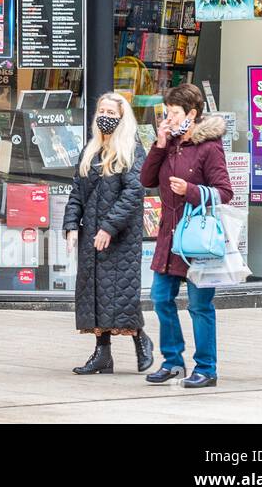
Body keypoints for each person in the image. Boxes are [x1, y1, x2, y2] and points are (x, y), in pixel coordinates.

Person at [139, 83, 232, 389]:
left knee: (198, 305)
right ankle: (172, 361)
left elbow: (224, 192)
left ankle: (206, 367)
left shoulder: (209, 146)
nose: (168, 118)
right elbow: (147, 179)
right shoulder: (171, 143)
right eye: (166, 112)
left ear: (191, 114)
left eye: (174, 113)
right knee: (161, 298)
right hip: (169, 237)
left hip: (198, 240)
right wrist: (160, 142)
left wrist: (190, 191)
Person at [64, 92, 153, 375]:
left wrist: (108, 227)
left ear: (122, 117)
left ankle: (141, 340)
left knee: (119, 294)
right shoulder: (90, 150)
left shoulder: (132, 150)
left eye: (112, 113)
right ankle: (102, 353)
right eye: (102, 110)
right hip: (91, 233)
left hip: (121, 236)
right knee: (94, 293)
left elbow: (134, 192)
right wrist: (71, 225)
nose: (106, 116)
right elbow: (77, 191)